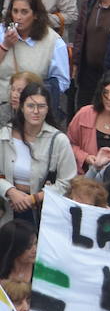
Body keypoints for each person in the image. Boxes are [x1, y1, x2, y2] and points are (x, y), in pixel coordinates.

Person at [0, 83, 75, 224]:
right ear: (21, 107)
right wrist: (10, 191)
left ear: (48, 109)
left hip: (43, 211)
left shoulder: (59, 140)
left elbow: (68, 181)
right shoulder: (5, 135)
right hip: (8, 206)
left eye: (41, 106)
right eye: (30, 106)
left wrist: (34, 198)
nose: (36, 111)